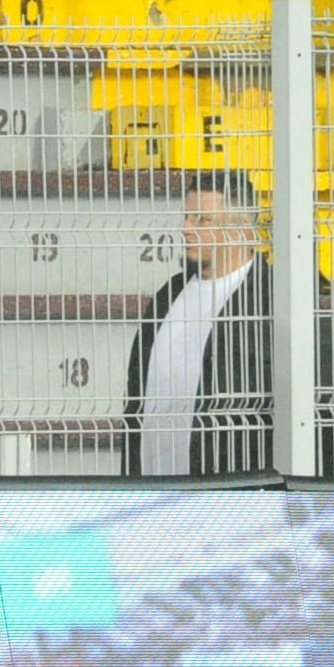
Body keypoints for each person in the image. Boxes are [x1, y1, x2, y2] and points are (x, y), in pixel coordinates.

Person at [124, 173, 276, 477]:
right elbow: (136, 403)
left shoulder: (275, 301)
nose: (186, 228)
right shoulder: (169, 296)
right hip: (154, 498)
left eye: (202, 220)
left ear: (241, 228)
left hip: (233, 503)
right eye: (186, 217)